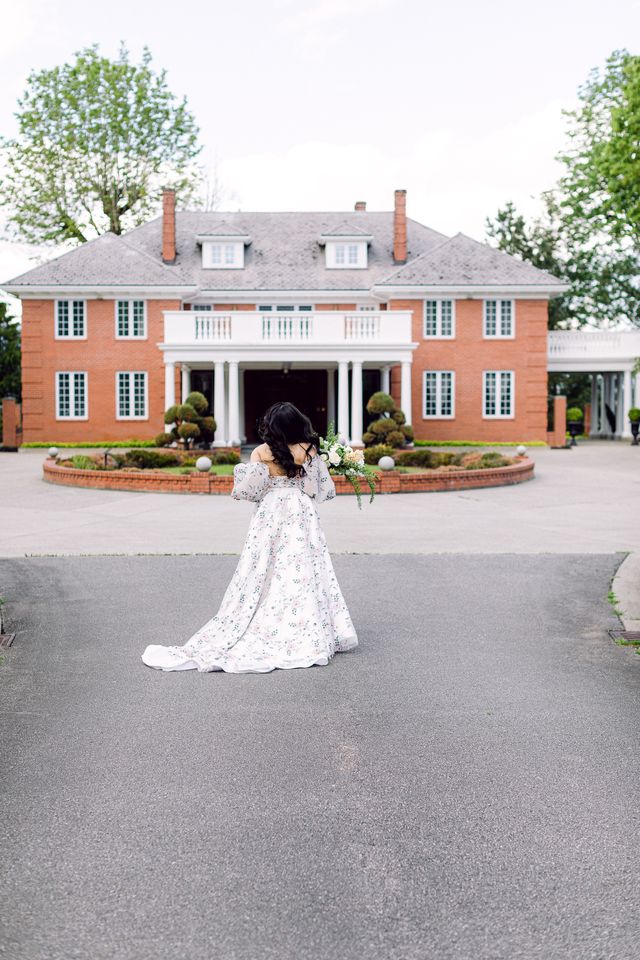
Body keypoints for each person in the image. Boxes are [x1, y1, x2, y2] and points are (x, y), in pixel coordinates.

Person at [141, 401, 358, 673]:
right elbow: (322, 491)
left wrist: (245, 477)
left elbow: (249, 491)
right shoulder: (309, 450)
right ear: (297, 423)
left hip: (271, 512)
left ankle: (263, 616)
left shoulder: (261, 452)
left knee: (263, 567)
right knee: (302, 568)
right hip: (301, 511)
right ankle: (305, 624)